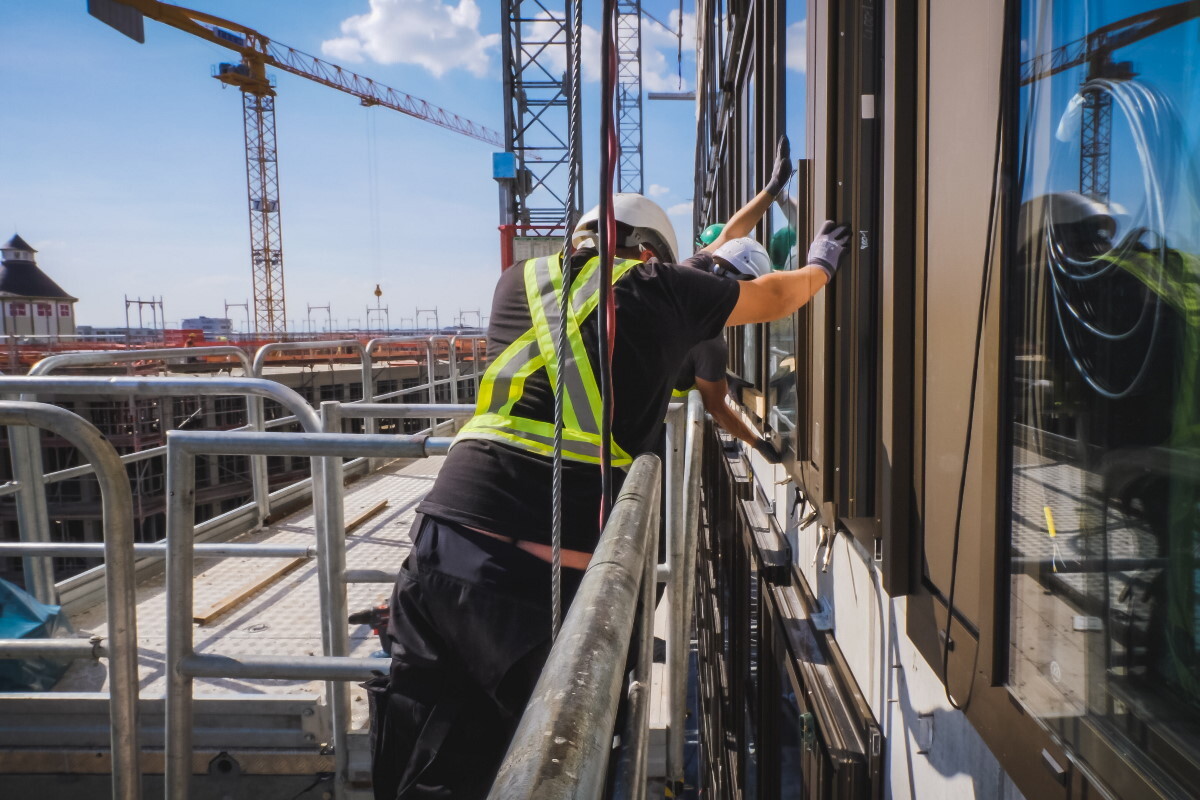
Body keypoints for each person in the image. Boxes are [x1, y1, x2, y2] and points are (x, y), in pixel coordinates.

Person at [369, 169, 849, 799]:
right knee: (550, 768)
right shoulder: (664, 292)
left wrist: (751, 208)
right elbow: (780, 296)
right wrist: (822, 264)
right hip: (542, 579)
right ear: (651, 253)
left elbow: (703, 257)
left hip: (442, 539)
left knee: (423, 757)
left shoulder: (521, 281)